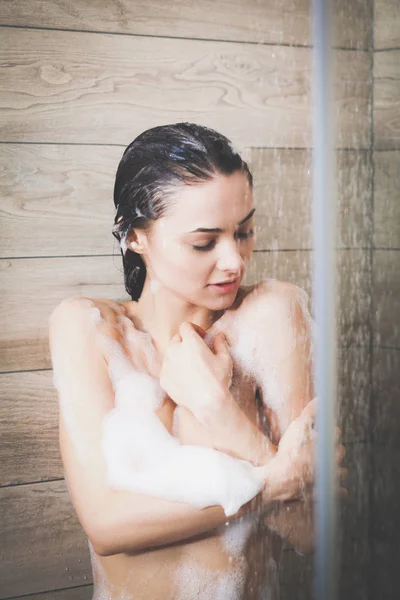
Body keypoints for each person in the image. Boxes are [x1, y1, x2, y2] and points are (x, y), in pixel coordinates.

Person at [48, 123, 346, 600]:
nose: (235, 260)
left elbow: (315, 533)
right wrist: (268, 487)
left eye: (244, 231)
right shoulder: (90, 328)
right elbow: (106, 527)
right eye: (204, 242)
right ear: (136, 237)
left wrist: (219, 413)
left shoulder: (270, 315)